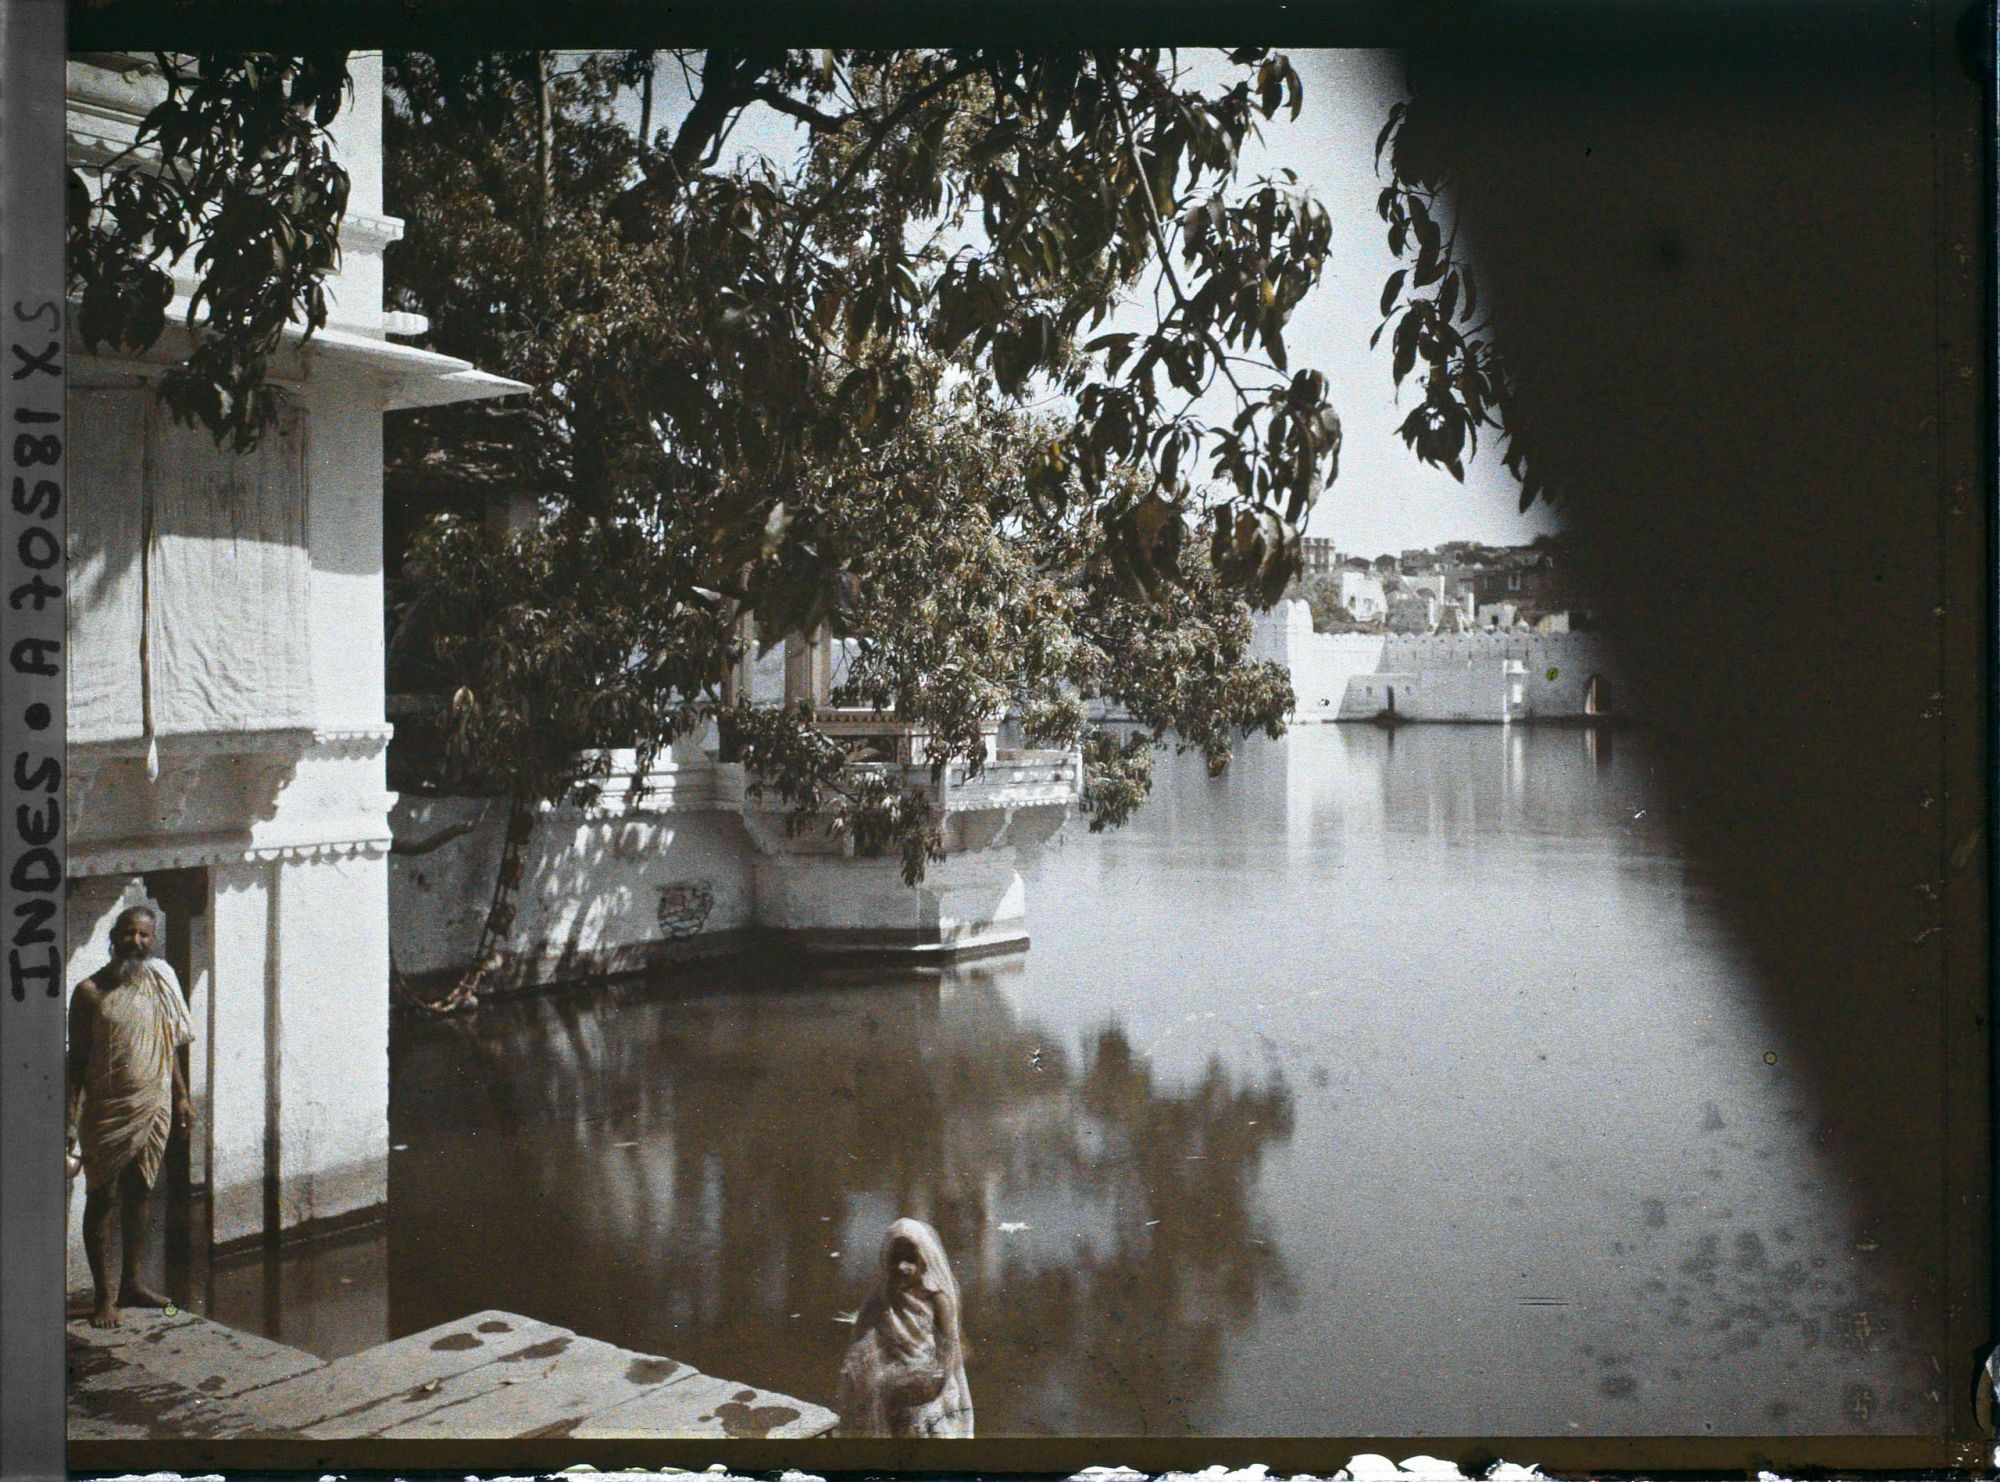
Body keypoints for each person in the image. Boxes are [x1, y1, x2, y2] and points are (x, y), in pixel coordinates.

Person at [66, 906, 194, 1328]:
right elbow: (77, 1061)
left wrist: (180, 1095)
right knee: (102, 1197)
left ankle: (132, 1285)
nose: (136, 942)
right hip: (107, 1110)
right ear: (114, 936)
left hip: (153, 1102)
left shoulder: (159, 981)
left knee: (141, 1191)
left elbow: (169, 1042)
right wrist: (69, 1121)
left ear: (151, 940)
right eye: (129, 933)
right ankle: (104, 1297)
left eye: (144, 935)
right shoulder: (89, 992)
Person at [835, 1217, 974, 1437]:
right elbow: (862, 1343)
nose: (902, 1267)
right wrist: (865, 1369)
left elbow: (953, 1348)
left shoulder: (937, 1300)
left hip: (928, 1390)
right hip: (891, 1390)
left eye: (911, 1260)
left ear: (925, 1262)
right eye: (895, 1259)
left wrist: (935, 1378)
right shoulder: (880, 1300)